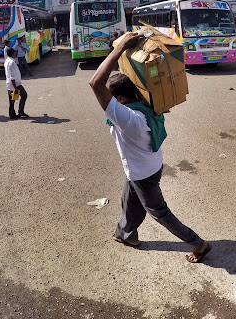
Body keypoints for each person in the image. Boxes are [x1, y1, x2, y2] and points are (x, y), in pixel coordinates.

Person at [89, 32, 211, 263]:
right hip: (146, 166)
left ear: (121, 100)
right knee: (129, 200)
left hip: (144, 173)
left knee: (159, 211)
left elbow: (95, 83)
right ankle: (126, 234)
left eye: (112, 99)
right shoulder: (144, 104)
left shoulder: (129, 119)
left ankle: (198, 244)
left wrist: (117, 50)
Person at [4, 48, 28, 119]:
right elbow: (12, 77)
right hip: (15, 84)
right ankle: (20, 111)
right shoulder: (11, 63)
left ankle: (12, 114)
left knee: (12, 100)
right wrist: (15, 88)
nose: (16, 53)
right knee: (24, 95)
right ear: (12, 53)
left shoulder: (7, 61)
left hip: (9, 83)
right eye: (15, 52)